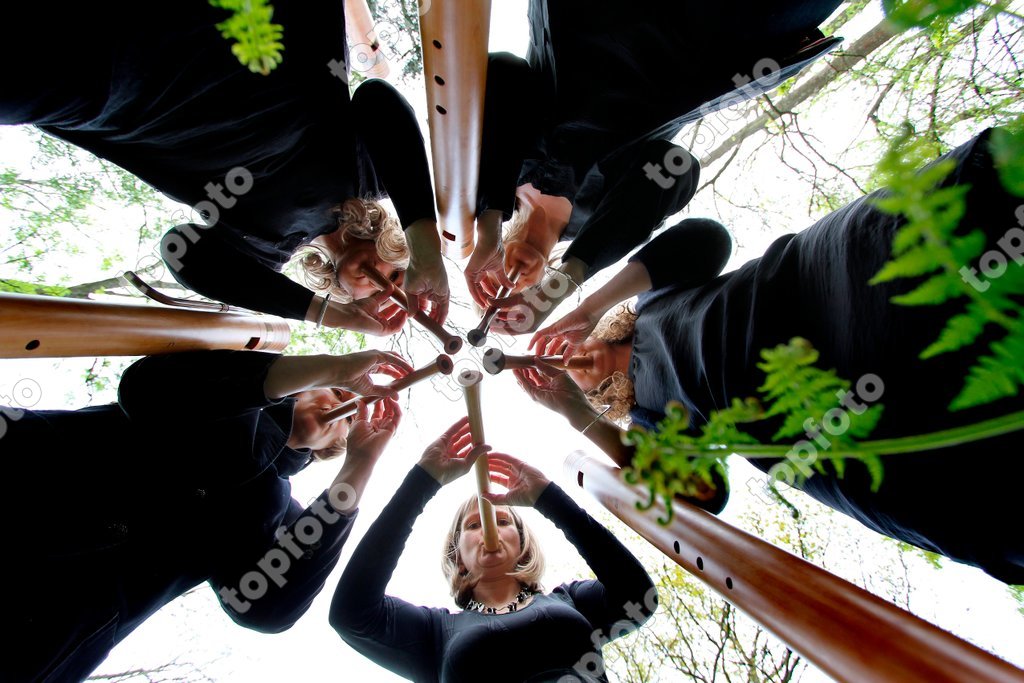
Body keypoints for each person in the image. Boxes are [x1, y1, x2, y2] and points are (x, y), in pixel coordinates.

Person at [518, 127, 1024, 584]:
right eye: (575, 385)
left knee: (979, 226)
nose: (569, 365)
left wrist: (586, 308)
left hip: (819, 287)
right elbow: (704, 493)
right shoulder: (649, 422)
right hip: (816, 420)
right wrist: (572, 411)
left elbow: (708, 239)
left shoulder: (654, 301)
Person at [1, 0, 449, 333]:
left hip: (119, 91)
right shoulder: (369, 180)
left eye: (377, 291)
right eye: (398, 272)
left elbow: (182, 251)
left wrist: (328, 317)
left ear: (347, 295)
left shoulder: (264, 253)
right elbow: (377, 100)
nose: (384, 282)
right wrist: (426, 247)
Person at [0, 348, 410, 682]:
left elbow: (262, 606)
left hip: (42, 628)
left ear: (331, 447)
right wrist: (333, 368)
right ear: (302, 386)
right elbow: (145, 388)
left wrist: (359, 465)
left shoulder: (278, 509)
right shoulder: (230, 396)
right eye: (338, 393)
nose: (344, 408)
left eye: (350, 421)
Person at [466, 0, 845, 331]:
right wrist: (566, 281)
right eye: (517, 292)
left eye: (494, 283)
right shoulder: (600, 229)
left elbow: (504, 72)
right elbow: (673, 166)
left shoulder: (503, 177)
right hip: (725, 35)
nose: (510, 281)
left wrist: (488, 229)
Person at [329, 417, 658, 682]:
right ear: (457, 557)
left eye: (503, 521)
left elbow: (638, 596)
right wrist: (421, 482)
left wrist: (549, 499)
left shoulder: (570, 600)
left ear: (522, 545)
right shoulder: (435, 633)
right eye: (472, 525)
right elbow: (351, 614)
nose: (488, 527)